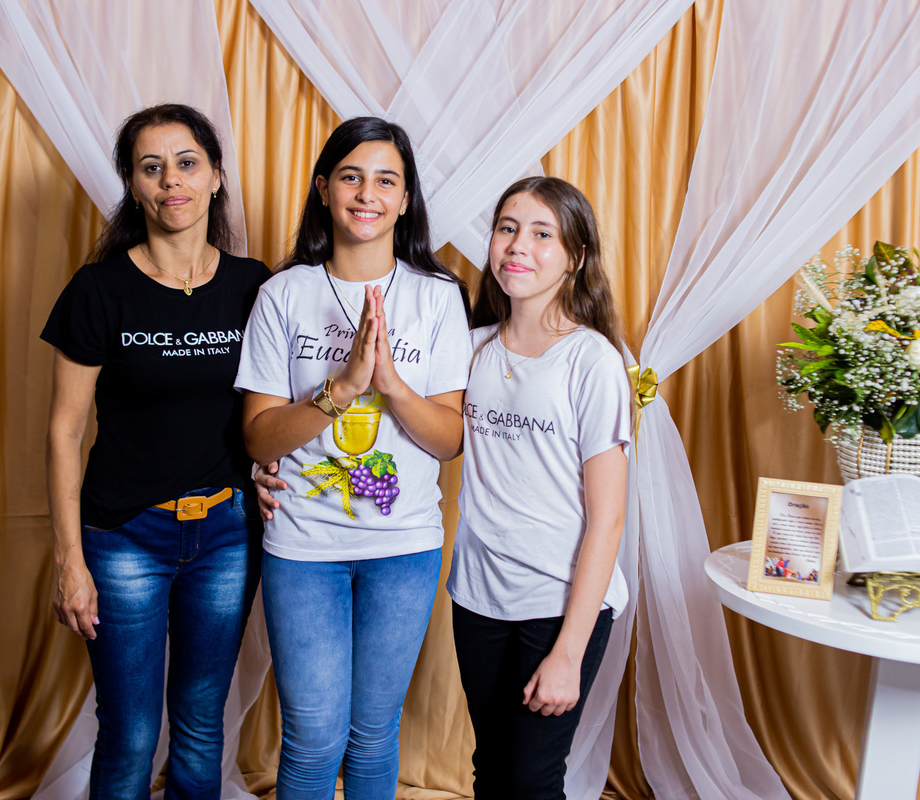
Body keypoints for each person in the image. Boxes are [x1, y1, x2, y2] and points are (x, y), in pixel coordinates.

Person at [235, 116, 470, 799]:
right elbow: (259, 439)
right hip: (302, 547)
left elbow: (449, 440)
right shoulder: (282, 295)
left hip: (405, 548)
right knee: (312, 736)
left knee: (372, 733)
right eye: (351, 177)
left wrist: (390, 384)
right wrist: (340, 390)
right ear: (323, 189)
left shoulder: (437, 298)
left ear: (405, 199)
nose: (368, 194)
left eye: (386, 181)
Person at [42, 103, 269, 799]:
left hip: (226, 534)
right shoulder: (99, 290)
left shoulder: (252, 285)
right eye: (152, 167)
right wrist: (69, 561)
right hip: (123, 537)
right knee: (131, 732)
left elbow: (269, 411)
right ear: (134, 186)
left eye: (187, 162)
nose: (172, 180)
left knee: (201, 723)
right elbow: (63, 432)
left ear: (216, 176)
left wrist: (269, 471)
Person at [448, 176, 631, 798]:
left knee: (531, 781)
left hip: (558, 603)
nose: (517, 245)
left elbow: (608, 519)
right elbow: (399, 423)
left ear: (574, 257)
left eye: (541, 233)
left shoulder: (592, 361)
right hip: (477, 598)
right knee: (492, 770)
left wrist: (568, 652)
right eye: (507, 228)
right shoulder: (470, 350)